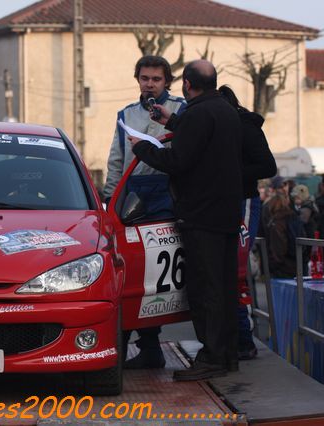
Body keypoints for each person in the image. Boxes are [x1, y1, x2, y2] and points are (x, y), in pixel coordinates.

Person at [131, 60, 243, 381]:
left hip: (201, 216)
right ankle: (227, 356)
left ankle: (210, 357)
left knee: (205, 290)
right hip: (226, 215)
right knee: (223, 288)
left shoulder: (197, 114)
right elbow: (203, 140)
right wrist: (174, 121)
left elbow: (179, 159)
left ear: (186, 85)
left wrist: (143, 149)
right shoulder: (225, 111)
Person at [103, 55, 186, 369]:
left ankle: (151, 345)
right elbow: (116, 158)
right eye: (145, 78)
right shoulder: (126, 114)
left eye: (156, 79)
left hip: (169, 192)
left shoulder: (181, 109)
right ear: (137, 78)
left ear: (167, 81)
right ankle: (138, 347)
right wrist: (111, 199)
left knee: (160, 273)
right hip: (132, 194)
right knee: (130, 270)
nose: (150, 84)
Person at [217, 85, 277, 361]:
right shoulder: (217, 127)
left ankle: (244, 338)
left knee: (237, 271)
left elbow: (268, 166)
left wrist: (233, 173)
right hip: (218, 204)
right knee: (221, 273)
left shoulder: (246, 127)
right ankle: (231, 339)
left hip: (244, 201)